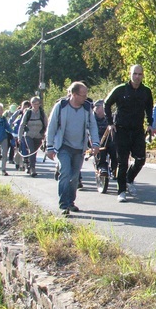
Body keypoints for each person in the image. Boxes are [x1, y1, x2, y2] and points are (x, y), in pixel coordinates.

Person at [45, 82, 100, 216]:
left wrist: (95, 143)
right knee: (65, 172)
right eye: (83, 95)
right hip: (63, 146)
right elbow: (52, 126)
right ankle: (64, 204)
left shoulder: (87, 108)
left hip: (79, 148)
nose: (85, 98)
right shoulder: (61, 106)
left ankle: (70, 202)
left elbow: (93, 126)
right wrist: (49, 146)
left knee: (75, 177)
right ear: (74, 94)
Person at [105, 64, 154, 203]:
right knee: (123, 162)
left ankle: (129, 178)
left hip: (138, 130)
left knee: (140, 159)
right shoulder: (120, 90)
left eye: (140, 74)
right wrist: (110, 123)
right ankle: (121, 191)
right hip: (121, 130)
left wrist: (150, 123)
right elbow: (107, 104)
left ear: (143, 75)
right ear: (130, 74)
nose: (137, 77)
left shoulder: (146, 91)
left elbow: (149, 108)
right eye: (135, 74)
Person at [18, 96, 47, 177]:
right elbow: (22, 125)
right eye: (34, 104)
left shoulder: (42, 113)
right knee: (31, 151)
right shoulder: (28, 113)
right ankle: (32, 169)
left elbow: (46, 124)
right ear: (31, 104)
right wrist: (19, 137)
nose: (36, 106)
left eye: (37, 104)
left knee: (34, 152)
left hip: (38, 136)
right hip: (29, 135)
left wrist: (46, 135)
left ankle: (29, 165)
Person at [93, 99, 117, 178]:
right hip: (95, 139)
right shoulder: (91, 118)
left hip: (108, 139)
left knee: (114, 148)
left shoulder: (110, 117)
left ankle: (115, 169)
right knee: (101, 148)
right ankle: (102, 167)